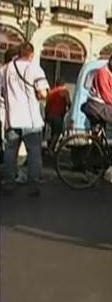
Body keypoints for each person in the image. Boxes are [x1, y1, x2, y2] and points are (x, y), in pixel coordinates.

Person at [0, 43, 49, 196]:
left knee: (10, 152)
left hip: (12, 118)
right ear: (31, 54)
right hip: (31, 119)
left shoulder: (5, 69)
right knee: (34, 153)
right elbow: (42, 94)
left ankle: (9, 183)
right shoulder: (34, 68)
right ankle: (33, 186)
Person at [45, 78, 71, 153]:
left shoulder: (51, 91)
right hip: (58, 115)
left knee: (51, 132)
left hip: (49, 115)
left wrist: (46, 116)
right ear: (63, 84)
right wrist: (69, 109)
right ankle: (51, 148)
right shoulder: (64, 91)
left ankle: (50, 148)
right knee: (57, 132)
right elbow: (69, 102)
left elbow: (47, 105)